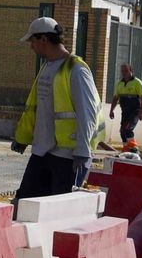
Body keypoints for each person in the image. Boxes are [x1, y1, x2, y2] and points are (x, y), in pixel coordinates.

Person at [11, 17, 101, 200]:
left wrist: (83, 150)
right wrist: (23, 138)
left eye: (33, 41)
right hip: (42, 151)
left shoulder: (77, 70)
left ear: (44, 39)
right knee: (27, 203)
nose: (31, 47)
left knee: (58, 208)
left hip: (67, 156)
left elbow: (87, 113)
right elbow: (36, 109)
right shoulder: (47, 68)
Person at [109, 63, 142, 148]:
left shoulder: (137, 82)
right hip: (125, 112)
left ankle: (133, 149)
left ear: (131, 71)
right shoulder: (120, 83)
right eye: (122, 71)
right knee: (122, 131)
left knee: (128, 129)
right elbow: (115, 98)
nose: (124, 73)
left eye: (126, 71)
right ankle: (126, 148)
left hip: (135, 111)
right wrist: (111, 110)